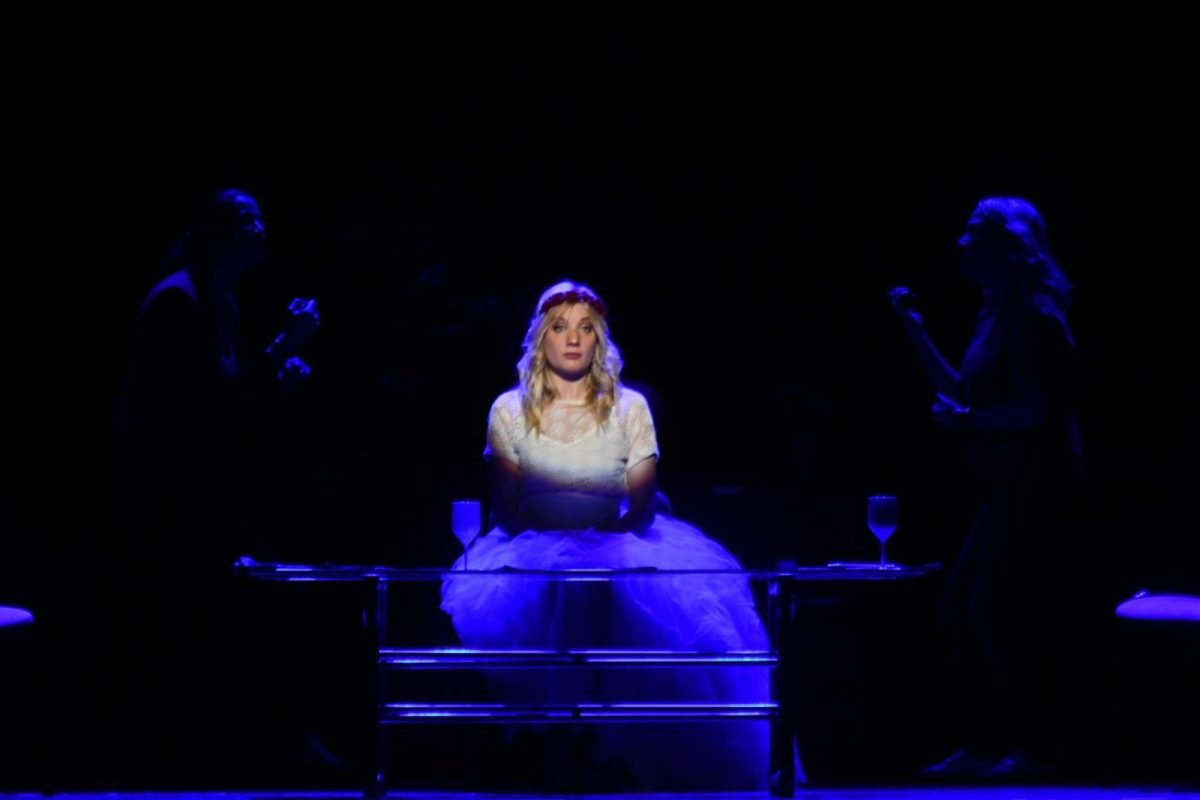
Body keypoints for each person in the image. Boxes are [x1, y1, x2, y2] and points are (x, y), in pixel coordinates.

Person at [440, 280, 774, 791]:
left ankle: (614, 760)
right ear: (541, 336)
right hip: (533, 543)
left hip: (614, 540)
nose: (573, 338)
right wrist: (554, 539)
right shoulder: (509, 409)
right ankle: (557, 752)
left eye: (585, 327)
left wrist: (601, 534)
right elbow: (504, 506)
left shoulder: (629, 406)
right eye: (560, 327)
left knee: (619, 593)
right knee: (558, 590)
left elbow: (641, 504)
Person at [104, 187, 321, 782]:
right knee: (200, 619)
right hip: (167, 492)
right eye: (247, 218)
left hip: (204, 488)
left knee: (245, 607)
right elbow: (199, 409)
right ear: (217, 232)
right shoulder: (179, 302)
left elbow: (231, 401)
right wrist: (281, 348)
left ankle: (265, 746)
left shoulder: (221, 301)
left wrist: (276, 378)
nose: (261, 227)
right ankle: (211, 755)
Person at [889, 197, 1084, 781]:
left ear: (1009, 246)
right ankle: (988, 742)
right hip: (1007, 483)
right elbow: (963, 394)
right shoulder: (994, 314)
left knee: (993, 609)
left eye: (974, 232)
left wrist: (968, 422)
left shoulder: (1036, 317)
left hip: (1039, 478)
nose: (960, 242)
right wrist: (915, 329)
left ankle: (1039, 749)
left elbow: (1033, 408)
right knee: (964, 609)